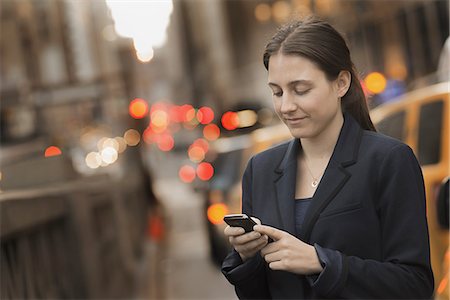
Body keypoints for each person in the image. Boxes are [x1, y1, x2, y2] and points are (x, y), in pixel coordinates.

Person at [221, 16, 434, 299]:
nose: (286, 106)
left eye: (301, 90)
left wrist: (321, 263)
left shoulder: (388, 160)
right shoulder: (260, 169)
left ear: (341, 83)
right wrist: (247, 257)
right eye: (277, 92)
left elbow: (415, 284)